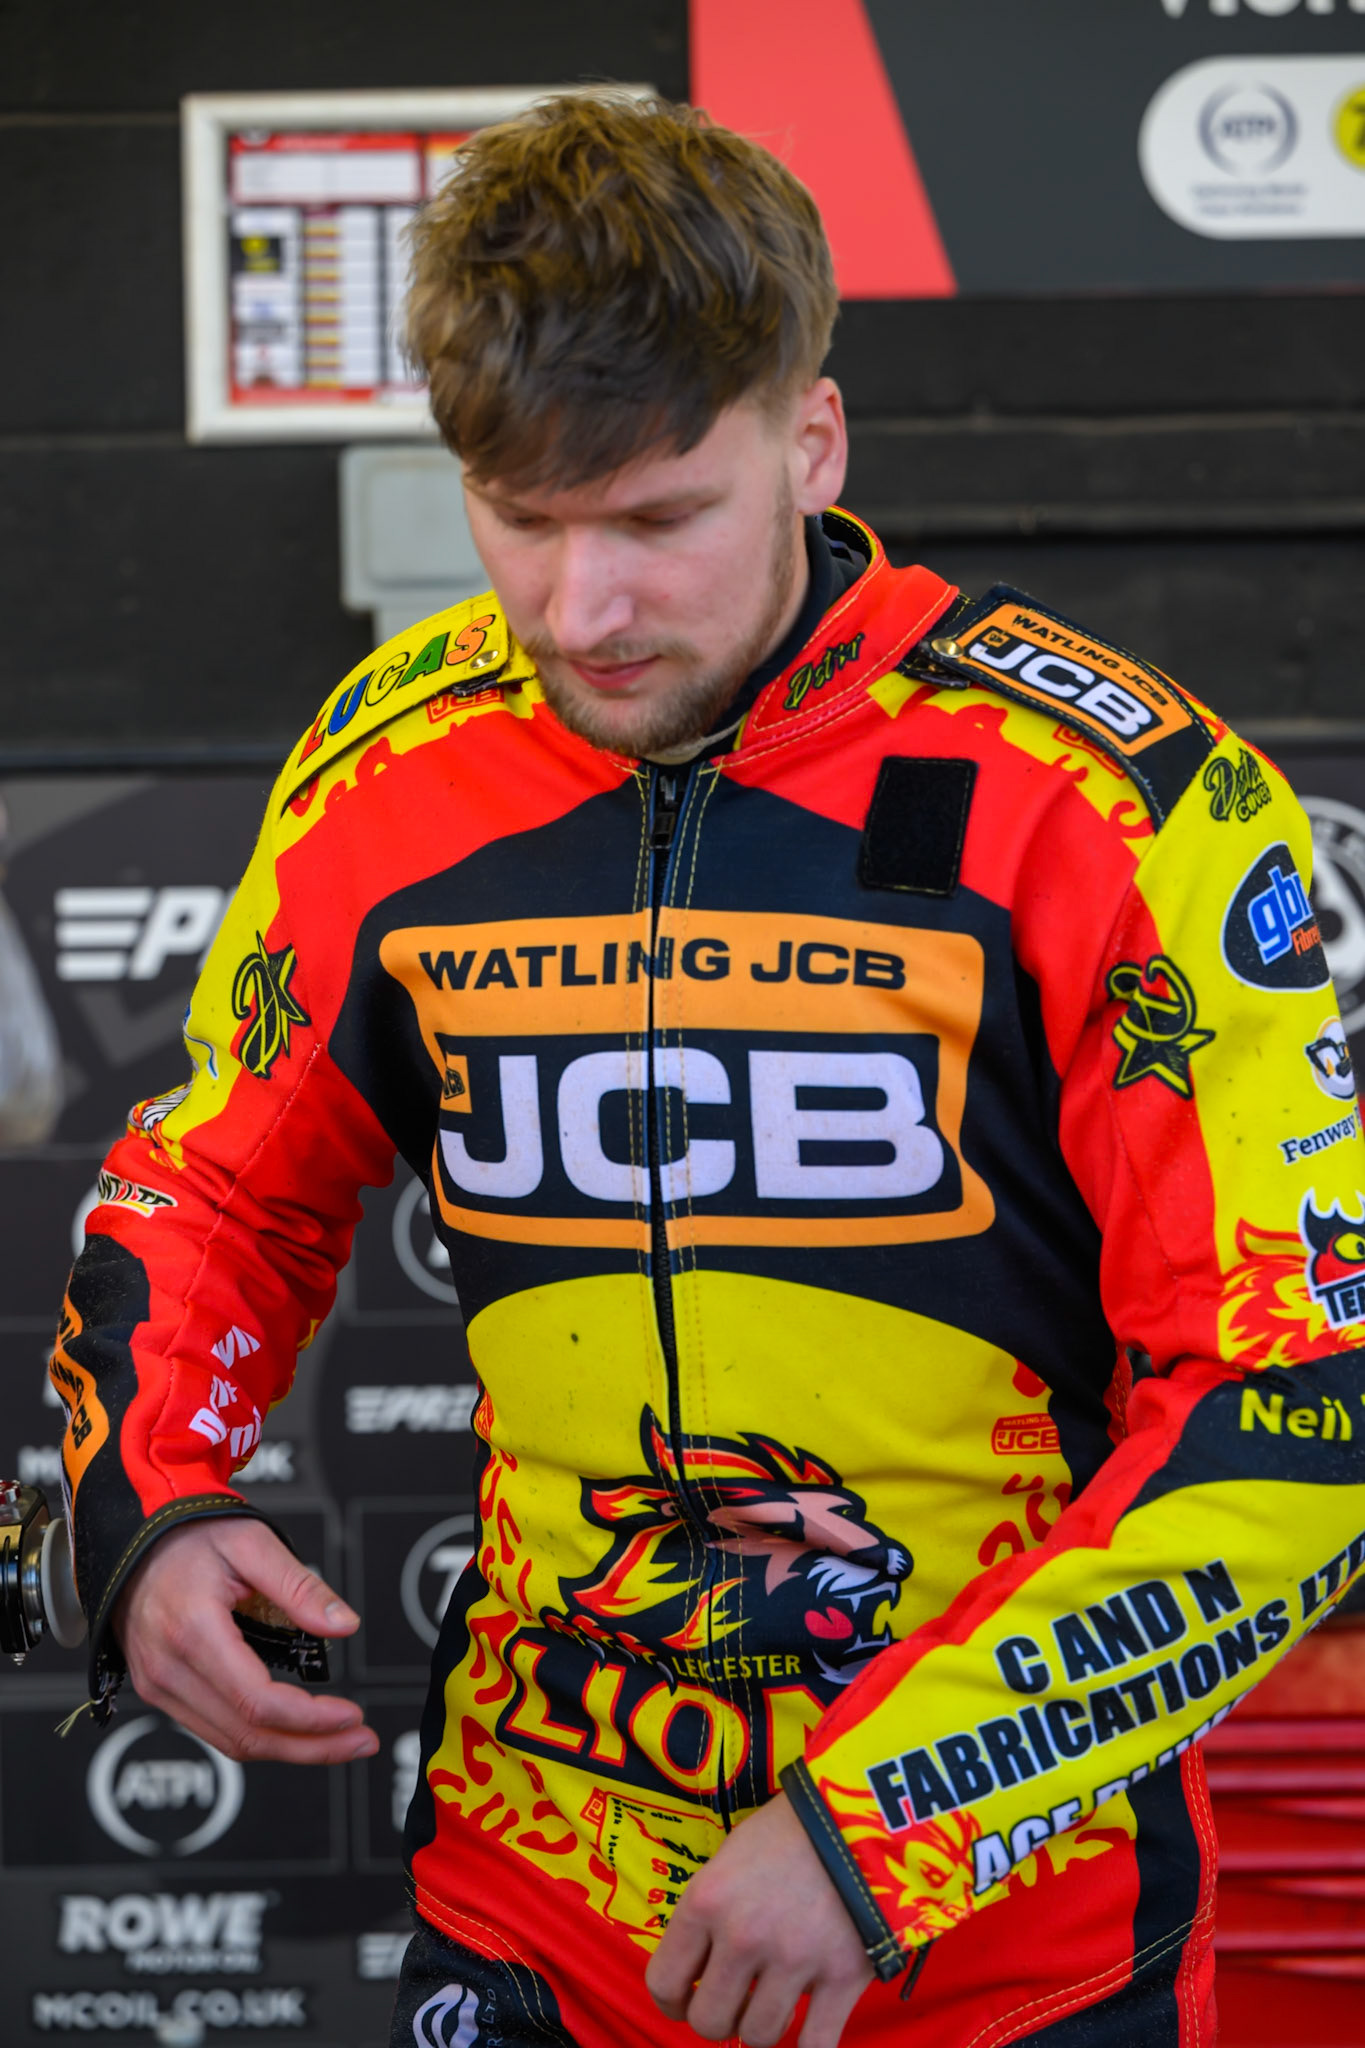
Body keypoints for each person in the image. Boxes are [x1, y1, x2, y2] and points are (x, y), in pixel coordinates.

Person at [50, 91, 1365, 2048]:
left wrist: (881, 1822)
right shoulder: (396, 761)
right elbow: (224, 1178)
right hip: (529, 1913)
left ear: (808, 441)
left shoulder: (1114, 806)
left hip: (997, 1953)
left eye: (658, 518)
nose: (581, 610)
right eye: (520, 518)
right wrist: (144, 1495)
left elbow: (1297, 1409)